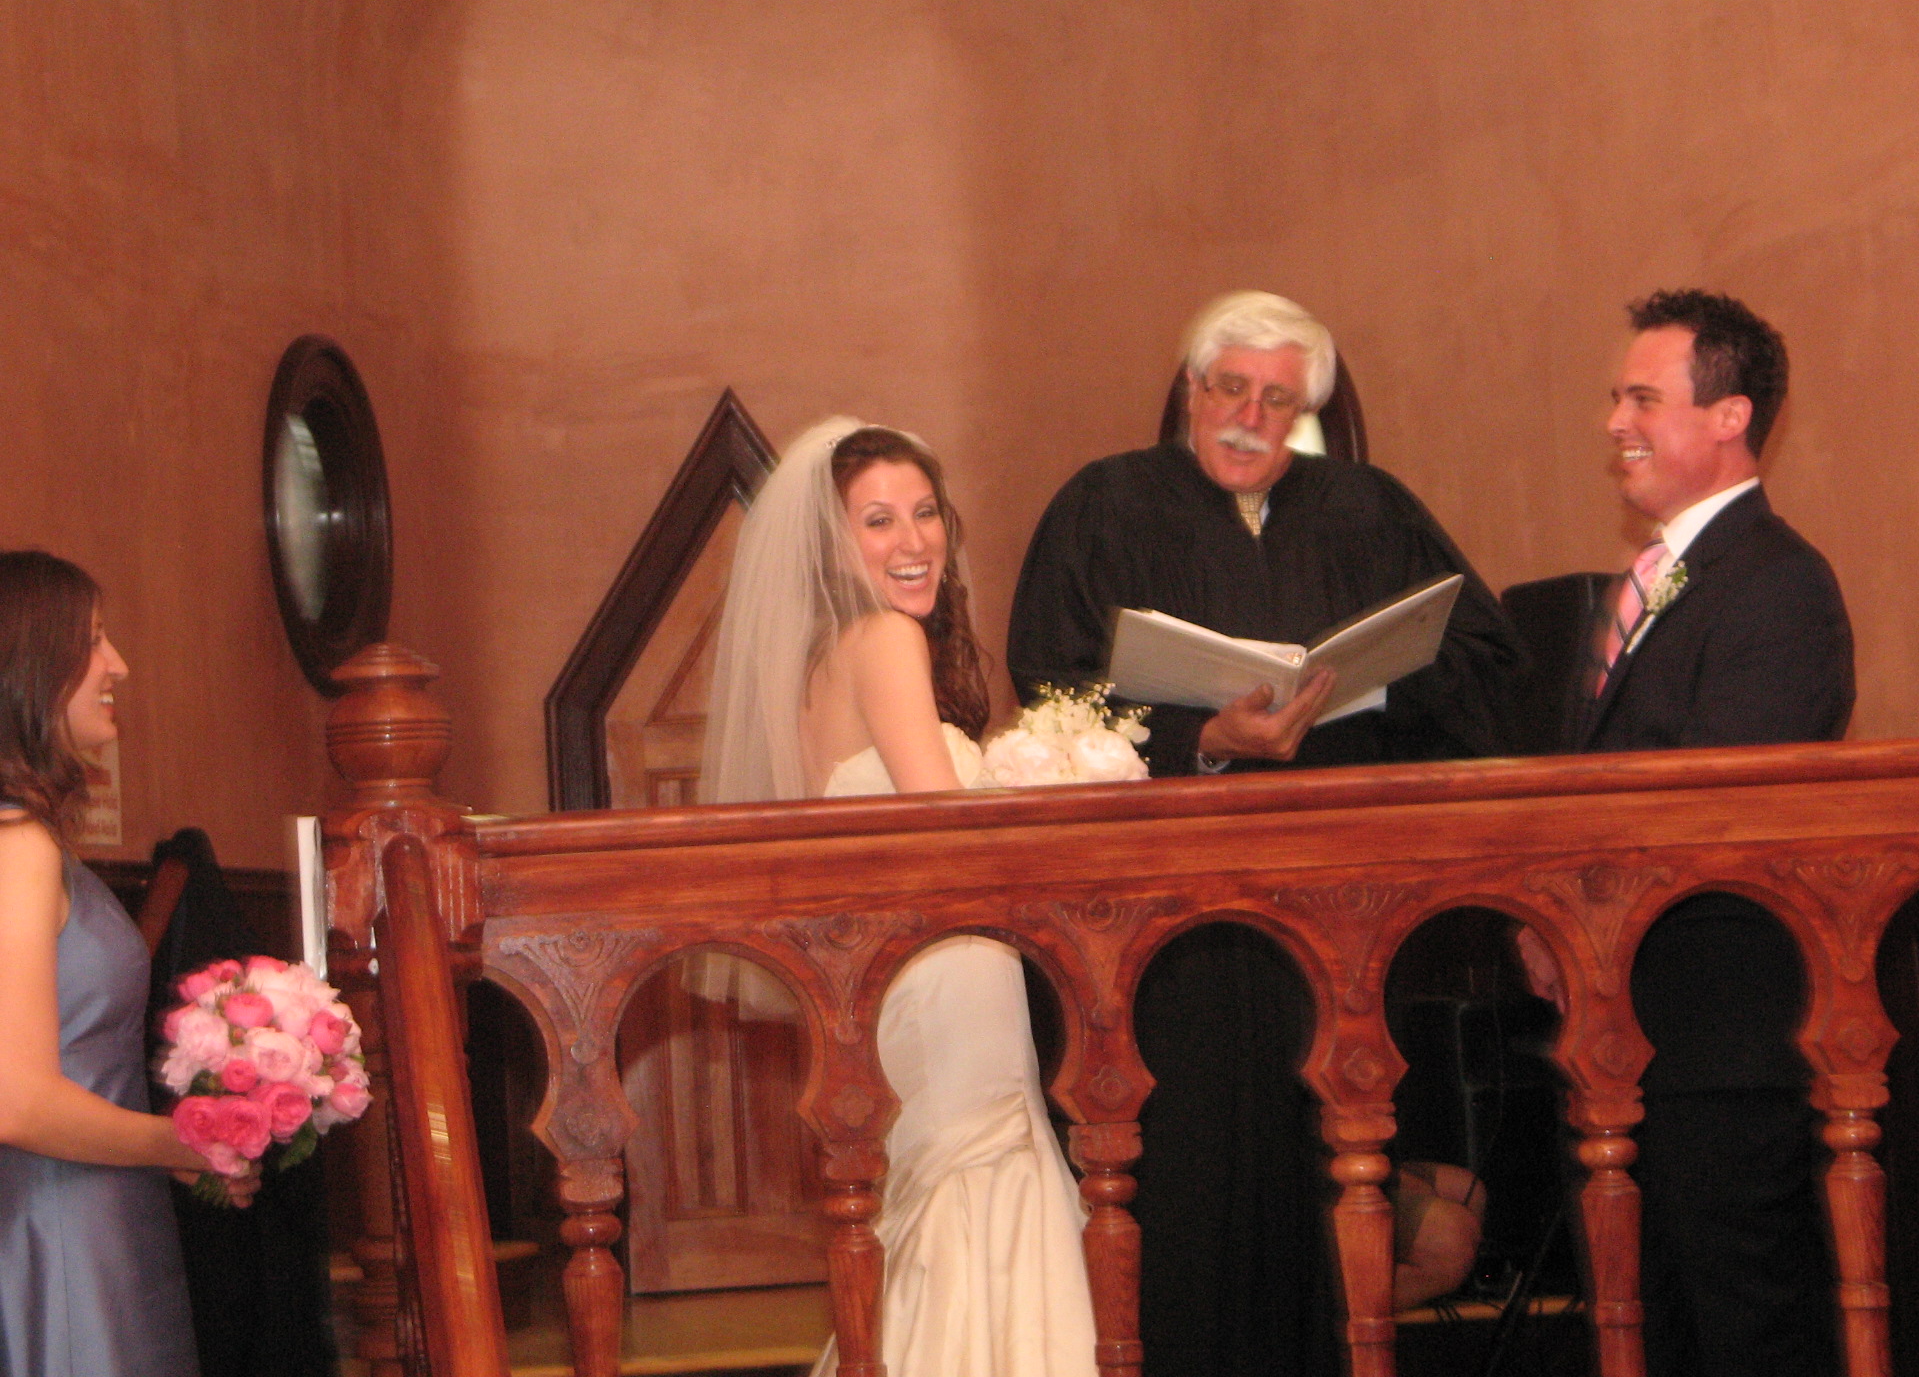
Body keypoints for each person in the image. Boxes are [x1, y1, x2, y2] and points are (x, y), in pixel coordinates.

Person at [1008, 291, 1524, 1376]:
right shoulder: (1106, 504)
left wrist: (1372, 685)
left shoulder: (1368, 510)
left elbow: (1482, 661)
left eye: (1277, 400)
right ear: (1190, 390)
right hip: (1165, 935)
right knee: (1186, 1179)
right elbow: (1053, 685)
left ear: (1306, 414)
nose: (1249, 417)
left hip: (1330, 919)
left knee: (1322, 1173)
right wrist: (1205, 736)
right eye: (1230, 389)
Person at [700, 419, 1096, 1377]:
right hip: (949, 966)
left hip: (898, 977)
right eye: (878, 521)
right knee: (979, 1181)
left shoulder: (813, 664)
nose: (914, 540)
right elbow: (946, 832)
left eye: (925, 513)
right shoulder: (882, 639)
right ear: (829, 543)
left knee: (934, 1203)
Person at [1536, 290, 1853, 1377]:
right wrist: (1544, 919)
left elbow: (1717, 817)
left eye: (1641, 399)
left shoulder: (1777, 585)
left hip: (1720, 1039)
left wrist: (1580, 920)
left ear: (1728, 417)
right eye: (1614, 397)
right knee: (1656, 1330)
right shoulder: (1653, 579)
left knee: (1745, 1331)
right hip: (1628, 1032)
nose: (1613, 422)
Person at [0, 549, 254, 1377]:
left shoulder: (31, 840)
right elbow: (18, 1102)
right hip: (60, 1224)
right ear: (32, 666)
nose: (118, 665)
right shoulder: (16, 846)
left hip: (97, 1206)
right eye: (93, 642)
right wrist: (181, 1144)